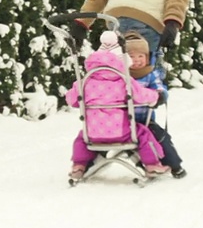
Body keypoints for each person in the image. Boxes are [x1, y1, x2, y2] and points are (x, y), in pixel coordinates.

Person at [65, 31, 170, 180]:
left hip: (93, 133)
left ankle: (79, 165)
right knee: (144, 133)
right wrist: (156, 96)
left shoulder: (84, 82)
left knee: (81, 138)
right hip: (122, 132)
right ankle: (152, 165)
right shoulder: (124, 80)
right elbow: (141, 96)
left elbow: (72, 100)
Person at [124, 31, 187, 179]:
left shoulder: (151, 74)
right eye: (132, 56)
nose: (137, 60)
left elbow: (160, 87)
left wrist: (160, 95)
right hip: (121, 121)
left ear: (147, 57)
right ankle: (84, 165)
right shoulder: (120, 75)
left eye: (141, 56)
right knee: (98, 136)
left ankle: (174, 165)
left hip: (145, 120)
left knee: (161, 137)